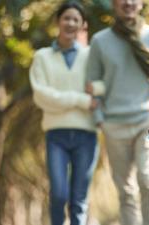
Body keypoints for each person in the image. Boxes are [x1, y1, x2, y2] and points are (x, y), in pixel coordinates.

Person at [85, 0, 149, 224]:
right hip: (114, 125)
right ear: (113, 4)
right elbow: (91, 84)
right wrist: (99, 120)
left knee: (148, 180)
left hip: (147, 122)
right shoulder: (100, 41)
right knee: (126, 191)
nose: (128, 2)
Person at [29, 2, 98, 225]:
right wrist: (81, 100)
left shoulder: (91, 56)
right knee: (58, 195)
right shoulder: (42, 56)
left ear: (82, 25)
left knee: (79, 201)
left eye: (75, 19)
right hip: (56, 136)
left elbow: (103, 88)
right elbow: (41, 96)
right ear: (58, 21)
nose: (70, 22)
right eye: (66, 18)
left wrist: (94, 94)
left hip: (86, 136)